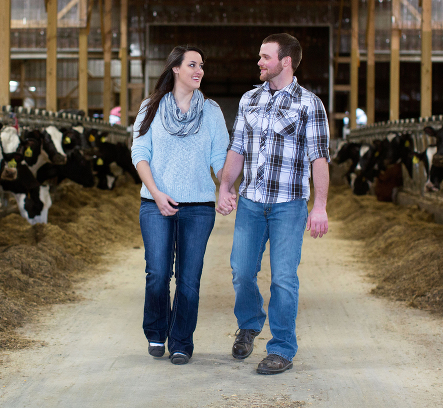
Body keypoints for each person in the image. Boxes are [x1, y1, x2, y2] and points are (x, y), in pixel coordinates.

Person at [217, 33, 330, 375]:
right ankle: (250, 323)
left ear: (285, 62)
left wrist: (320, 206)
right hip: (251, 202)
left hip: (288, 206)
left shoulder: (309, 104)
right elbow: (237, 149)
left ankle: (281, 348)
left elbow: (319, 158)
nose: (259, 62)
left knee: (283, 278)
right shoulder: (249, 99)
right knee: (241, 271)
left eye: (265, 57)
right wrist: (225, 187)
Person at [131, 45, 230, 365]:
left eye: (202, 65)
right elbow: (139, 153)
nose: (199, 70)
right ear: (175, 68)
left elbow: (219, 157)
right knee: (157, 273)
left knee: (188, 278)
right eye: (192, 64)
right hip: (155, 203)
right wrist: (156, 192)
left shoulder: (212, 111)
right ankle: (156, 331)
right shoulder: (151, 107)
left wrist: (225, 186)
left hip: (199, 206)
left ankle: (181, 341)